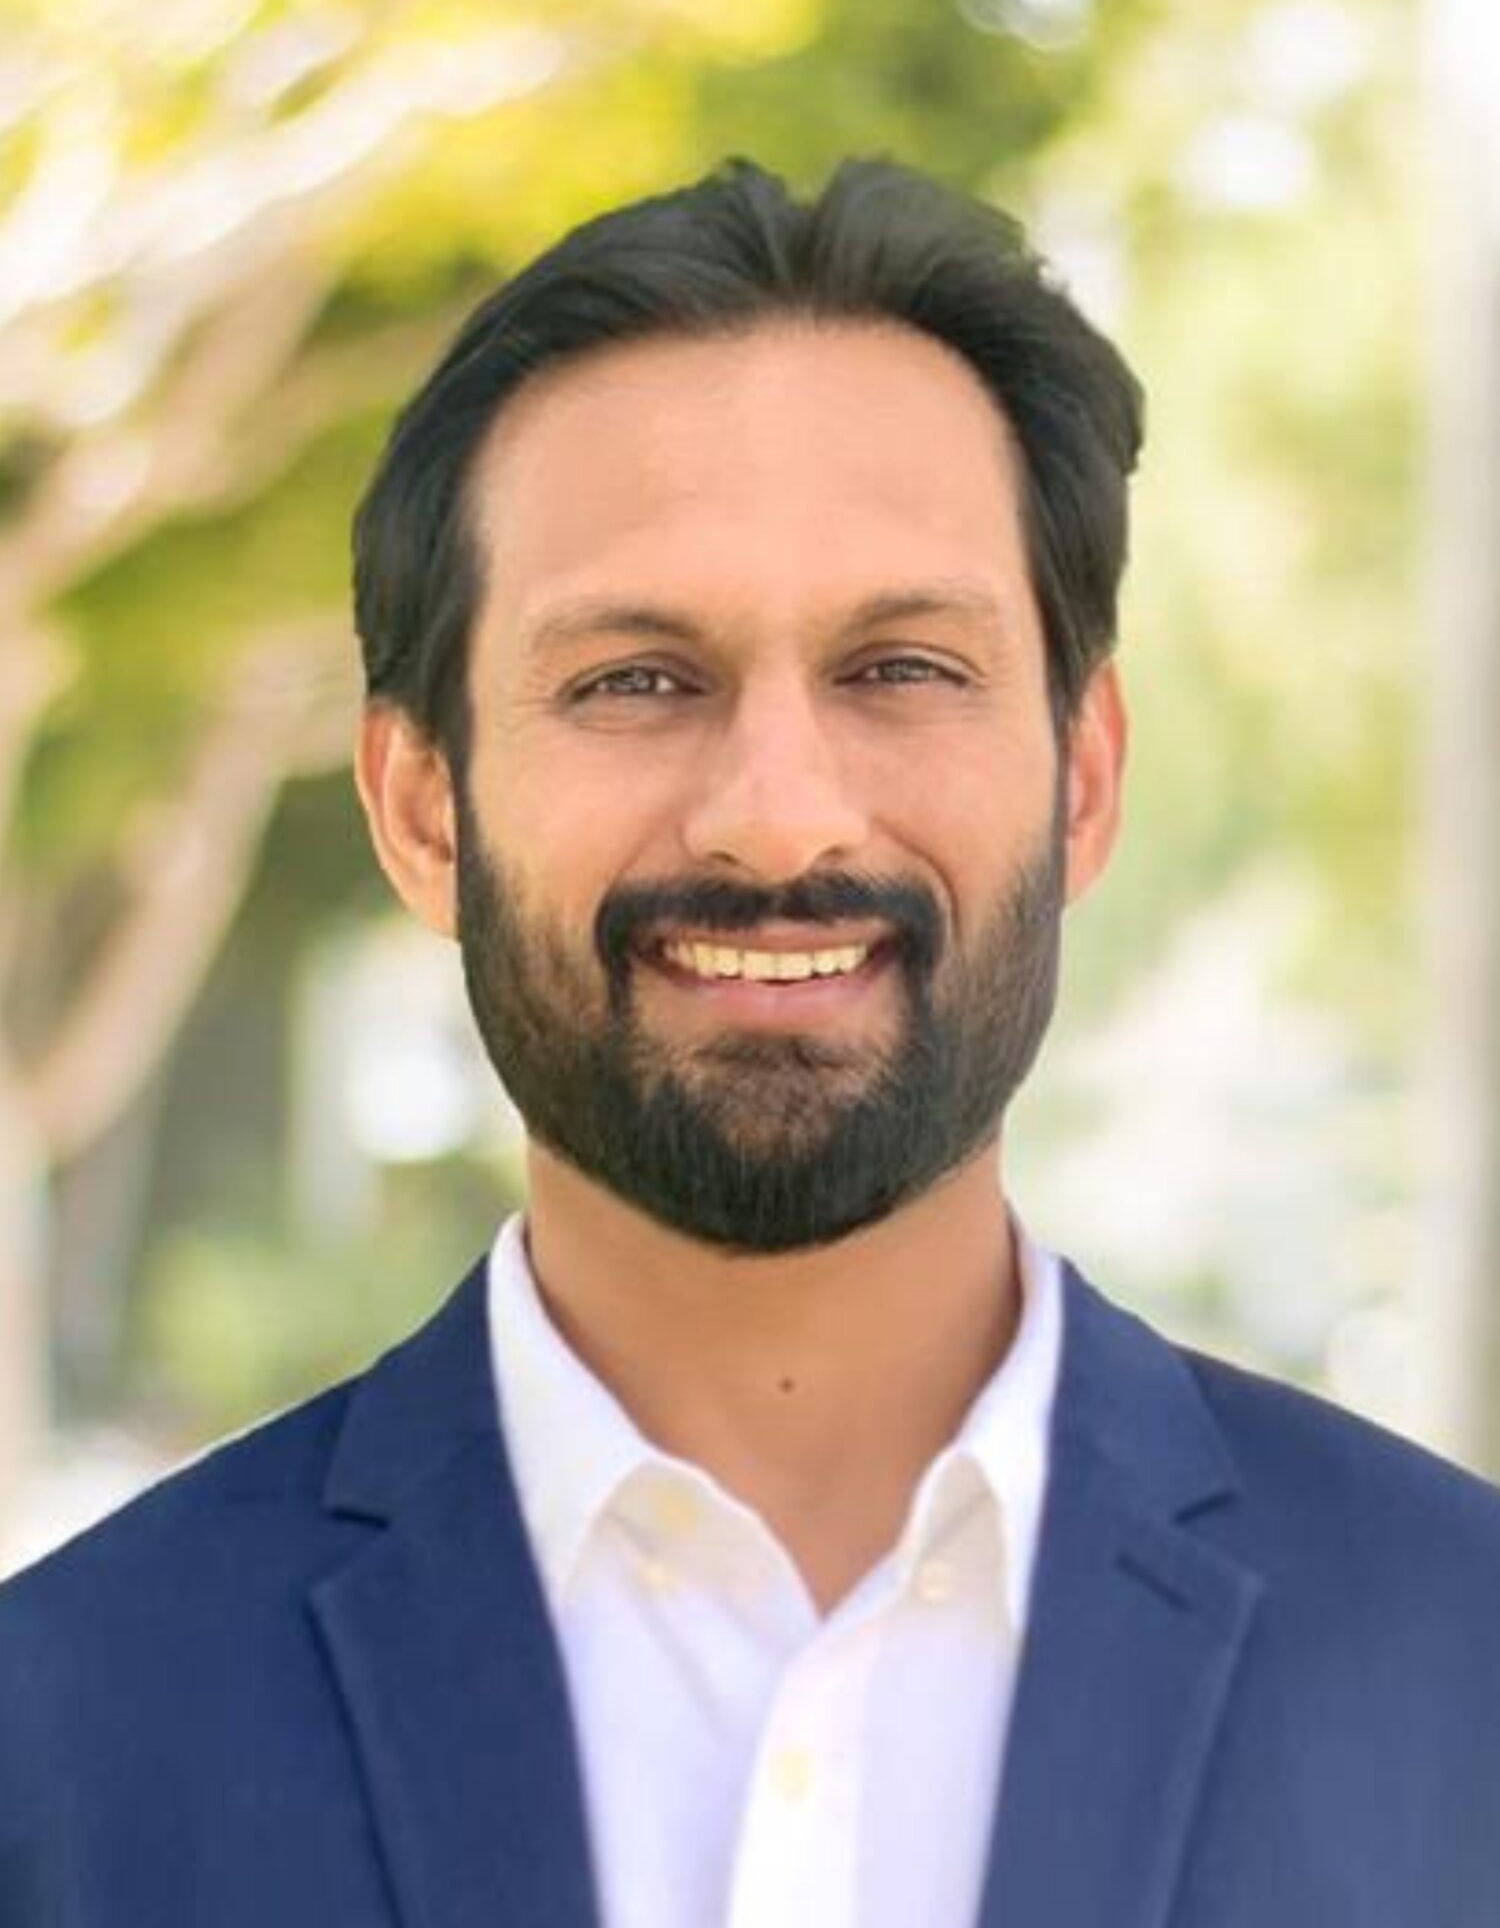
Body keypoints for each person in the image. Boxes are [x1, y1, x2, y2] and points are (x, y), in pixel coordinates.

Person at [2, 157, 1498, 1928]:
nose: (778, 823)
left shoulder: (1464, 1675)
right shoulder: (62, 1746)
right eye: (637, 679)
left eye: (901, 670)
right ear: (423, 809)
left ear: (1081, 781)